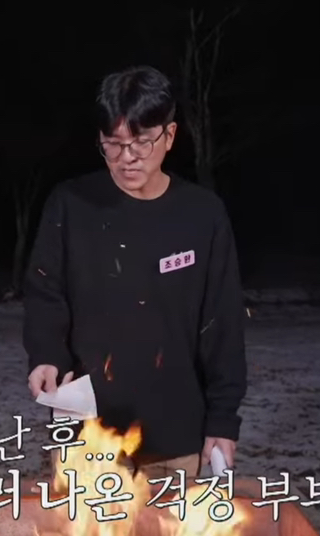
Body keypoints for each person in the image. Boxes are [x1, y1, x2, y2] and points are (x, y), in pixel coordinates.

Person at [23, 65, 247, 481]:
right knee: (84, 526)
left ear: (169, 135)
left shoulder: (202, 214)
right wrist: (46, 356)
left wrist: (223, 418)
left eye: (142, 142)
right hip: (89, 432)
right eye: (113, 144)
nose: (127, 158)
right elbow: (45, 292)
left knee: (171, 526)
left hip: (177, 432)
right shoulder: (71, 204)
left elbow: (223, 322)